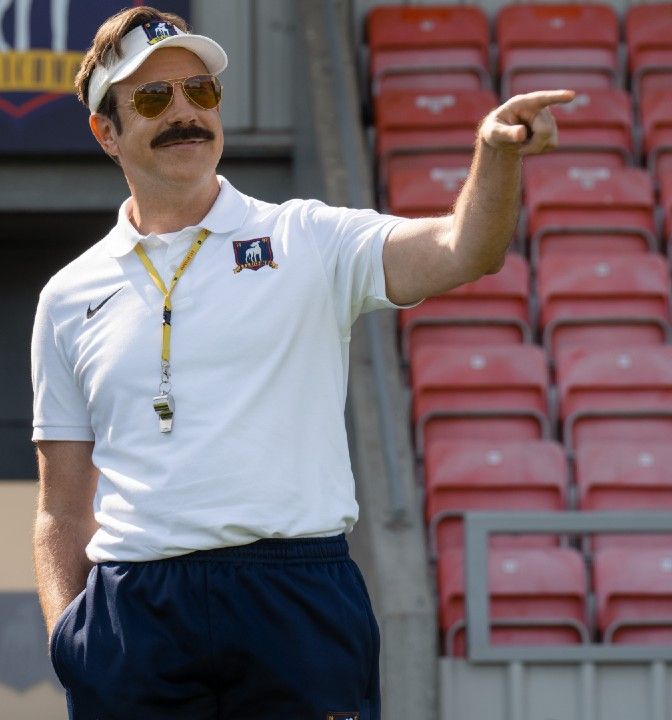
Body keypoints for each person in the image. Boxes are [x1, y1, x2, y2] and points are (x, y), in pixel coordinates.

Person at [30, 7, 571, 719]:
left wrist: (495, 154)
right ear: (107, 131)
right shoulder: (67, 295)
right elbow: (61, 508)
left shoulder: (306, 235)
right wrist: (70, 640)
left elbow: (464, 249)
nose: (186, 113)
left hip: (296, 597)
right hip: (135, 615)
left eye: (201, 91)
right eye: (155, 98)